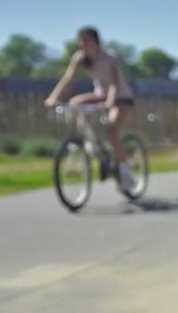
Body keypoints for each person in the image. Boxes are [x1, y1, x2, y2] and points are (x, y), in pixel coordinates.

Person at [44, 26, 138, 192]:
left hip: (121, 97)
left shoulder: (110, 58)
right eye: (80, 41)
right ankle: (86, 140)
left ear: (95, 42)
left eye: (86, 41)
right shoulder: (80, 58)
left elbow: (115, 83)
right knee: (74, 103)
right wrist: (54, 97)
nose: (82, 45)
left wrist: (110, 101)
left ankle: (125, 171)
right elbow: (68, 78)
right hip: (100, 95)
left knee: (111, 131)